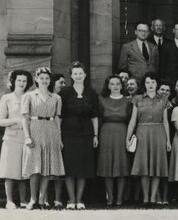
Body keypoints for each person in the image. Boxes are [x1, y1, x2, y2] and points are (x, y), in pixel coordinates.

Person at [20, 67, 65, 210]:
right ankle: (33, 199)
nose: (44, 81)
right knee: (35, 167)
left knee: (47, 167)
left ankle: (41, 199)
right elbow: (25, 118)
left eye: (47, 78)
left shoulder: (56, 98)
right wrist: (27, 136)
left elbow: (57, 118)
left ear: (50, 80)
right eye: (41, 78)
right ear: (36, 79)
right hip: (35, 129)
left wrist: (59, 138)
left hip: (50, 131)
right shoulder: (29, 96)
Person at [59, 62, 100, 209]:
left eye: (80, 73)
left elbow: (95, 116)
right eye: (75, 73)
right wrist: (59, 136)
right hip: (68, 133)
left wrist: (95, 135)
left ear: (85, 75)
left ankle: (79, 200)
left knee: (83, 167)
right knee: (70, 167)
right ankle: (71, 200)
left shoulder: (91, 92)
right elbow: (60, 116)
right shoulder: (65, 93)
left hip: (86, 134)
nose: (78, 76)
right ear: (71, 75)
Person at [126, 75, 170, 205]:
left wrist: (168, 140)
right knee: (143, 167)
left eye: (153, 82)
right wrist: (127, 138)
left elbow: (166, 122)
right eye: (147, 82)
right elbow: (133, 121)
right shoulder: (137, 99)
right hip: (142, 133)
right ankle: (145, 198)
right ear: (144, 84)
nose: (150, 84)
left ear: (157, 84)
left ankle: (153, 198)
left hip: (159, 133)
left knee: (157, 167)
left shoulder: (163, 100)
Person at [97, 75, 132, 207]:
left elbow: (130, 120)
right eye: (112, 84)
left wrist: (129, 137)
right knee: (107, 166)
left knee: (121, 165)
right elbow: (99, 118)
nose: (115, 86)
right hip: (106, 133)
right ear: (108, 86)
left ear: (122, 86)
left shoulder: (128, 101)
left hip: (122, 133)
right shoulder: (102, 100)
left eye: (118, 84)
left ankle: (119, 198)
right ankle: (110, 198)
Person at [0, 70, 31, 209]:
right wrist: (16, 121)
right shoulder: (6, 98)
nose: (22, 83)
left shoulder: (29, 97)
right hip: (11, 138)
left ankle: (23, 199)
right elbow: (1, 121)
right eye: (19, 80)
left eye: (24, 81)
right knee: (10, 170)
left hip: (26, 137)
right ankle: (9, 201)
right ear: (13, 82)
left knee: (24, 169)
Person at [159, 22, 178, 86]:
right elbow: (162, 66)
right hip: (170, 81)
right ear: (173, 31)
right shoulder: (166, 46)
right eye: (177, 29)